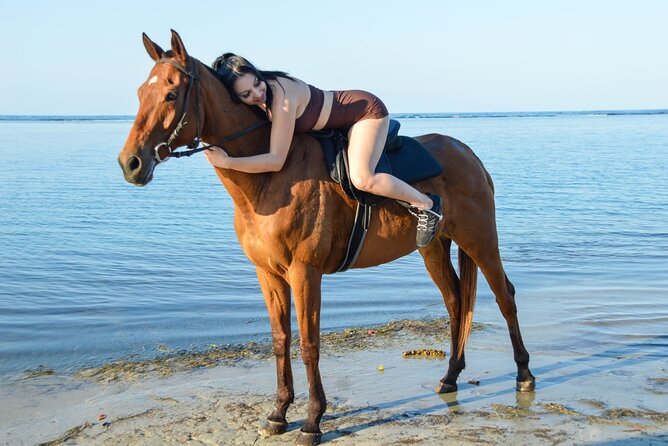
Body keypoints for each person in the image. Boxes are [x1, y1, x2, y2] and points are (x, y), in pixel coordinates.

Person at [204, 53, 442, 247]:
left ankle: (426, 205)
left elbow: (276, 161)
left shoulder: (282, 97)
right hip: (340, 123)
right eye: (246, 94)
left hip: (364, 113)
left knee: (363, 178)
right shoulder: (264, 99)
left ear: (258, 74)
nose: (257, 93)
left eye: (256, 83)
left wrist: (227, 162)